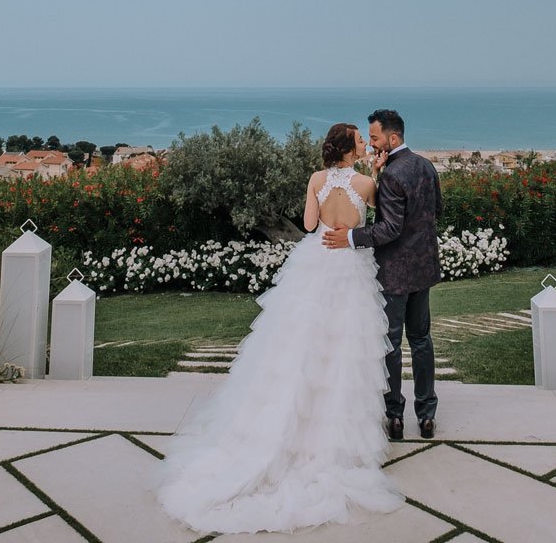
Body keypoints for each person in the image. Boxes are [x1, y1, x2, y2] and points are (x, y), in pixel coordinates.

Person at [155, 123, 404, 534]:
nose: (365, 143)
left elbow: (308, 225)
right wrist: (374, 177)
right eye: (360, 140)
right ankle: (334, 441)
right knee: (344, 348)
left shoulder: (316, 179)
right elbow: (375, 222)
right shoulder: (366, 184)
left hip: (317, 262)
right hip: (351, 267)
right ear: (349, 148)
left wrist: (324, 209)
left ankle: (282, 431)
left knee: (298, 344)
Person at [322, 108, 442, 440]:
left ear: (393, 137)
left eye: (374, 137)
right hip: (423, 269)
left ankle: (395, 416)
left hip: (395, 273)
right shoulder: (426, 166)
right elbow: (437, 210)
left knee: (391, 343)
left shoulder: (391, 175)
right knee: (421, 340)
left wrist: (350, 237)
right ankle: (427, 415)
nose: (372, 143)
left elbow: (389, 229)